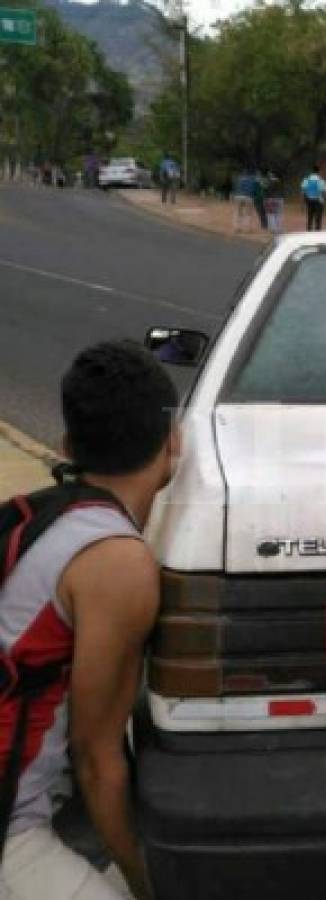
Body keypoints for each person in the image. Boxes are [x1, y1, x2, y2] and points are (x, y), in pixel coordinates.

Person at [0, 342, 180, 900]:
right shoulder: (118, 563)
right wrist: (145, 880)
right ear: (174, 443)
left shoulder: (33, 516)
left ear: (68, 445)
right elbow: (97, 758)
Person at [300, 165, 326, 232]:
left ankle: (309, 230)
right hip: (318, 200)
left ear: (312, 171)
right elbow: (323, 191)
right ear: (318, 171)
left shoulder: (306, 180)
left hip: (309, 200)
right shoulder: (321, 180)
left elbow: (303, 190)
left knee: (310, 216)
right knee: (318, 217)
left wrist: (304, 200)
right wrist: (323, 200)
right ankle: (317, 231)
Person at [232, 168, 257, 233]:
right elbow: (254, 188)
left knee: (238, 212)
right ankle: (247, 229)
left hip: (238, 196)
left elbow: (235, 187)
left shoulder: (239, 179)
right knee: (248, 213)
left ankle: (237, 228)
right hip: (248, 196)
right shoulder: (252, 179)